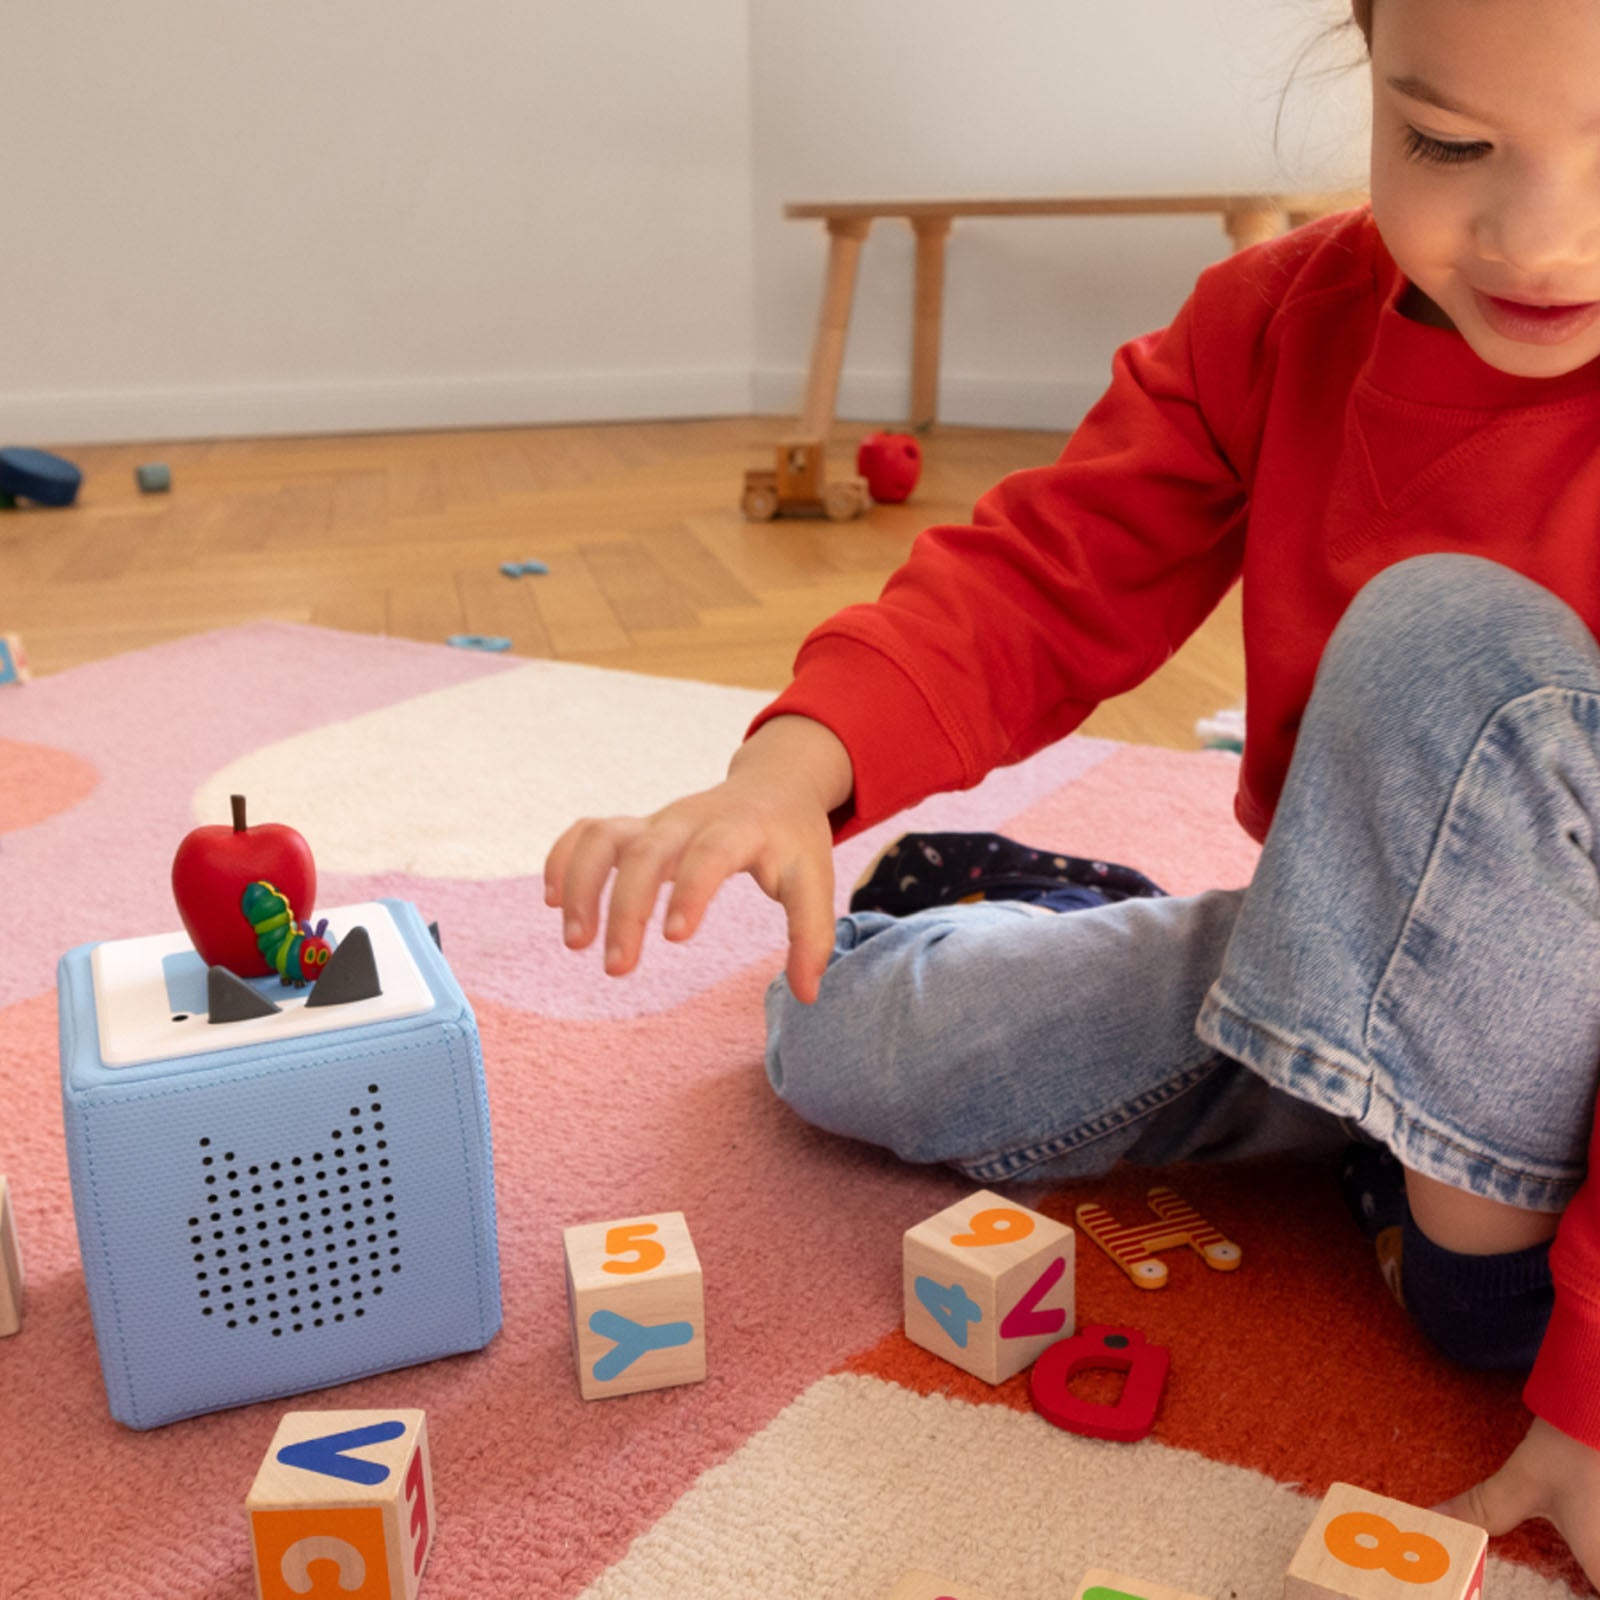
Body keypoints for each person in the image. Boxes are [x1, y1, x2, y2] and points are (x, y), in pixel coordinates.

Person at [544, 0, 1600, 1574]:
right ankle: (1342, 1117)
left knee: (1448, 638)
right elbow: (1046, 574)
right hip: (1351, 972)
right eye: (1446, 143)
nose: (1538, 235)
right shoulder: (1282, 320)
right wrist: (792, 768)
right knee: (837, 1034)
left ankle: (1453, 1234)